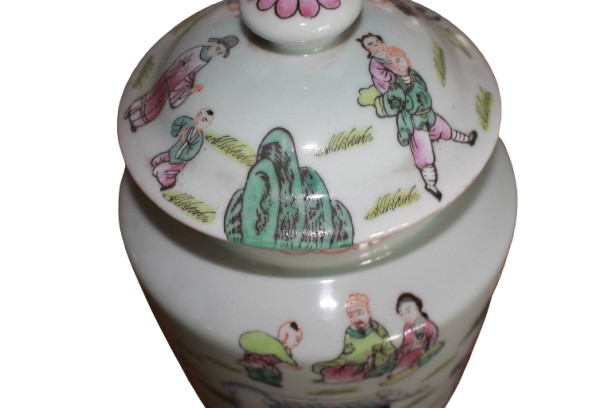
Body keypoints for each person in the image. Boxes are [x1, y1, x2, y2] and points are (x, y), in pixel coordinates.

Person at [124, 35, 238, 132]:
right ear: (214, 43)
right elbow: (181, 62)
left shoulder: (207, 59)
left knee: (156, 104)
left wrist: (190, 87)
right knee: (152, 100)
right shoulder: (197, 51)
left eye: (220, 52)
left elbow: (192, 74)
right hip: (171, 77)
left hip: (177, 82)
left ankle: (135, 120)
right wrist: (175, 76)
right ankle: (132, 115)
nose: (217, 52)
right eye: (217, 48)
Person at [312, 293, 396, 383]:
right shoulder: (350, 333)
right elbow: (346, 354)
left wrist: (374, 356)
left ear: (369, 312)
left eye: (359, 313)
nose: (356, 319)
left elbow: (390, 350)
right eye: (351, 316)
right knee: (331, 371)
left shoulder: (378, 330)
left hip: (371, 364)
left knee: (348, 374)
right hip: (352, 363)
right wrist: (344, 360)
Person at [151, 108, 214, 191]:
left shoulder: (199, 138)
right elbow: (179, 121)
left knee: (160, 172)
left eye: (203, 120)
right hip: (171, 153)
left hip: (179, 161)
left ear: (207, 125)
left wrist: (182, 156)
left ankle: (169, 183)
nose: (198, 120)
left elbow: (193, 151)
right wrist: (175, 132)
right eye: (198, 115)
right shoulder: (188, 123)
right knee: (155, 161)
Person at [238, 321, 303, 387]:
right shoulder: (278, 347)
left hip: (262, 363)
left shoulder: (283, 349)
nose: (296, 344)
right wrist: (295, 365)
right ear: (286, 336)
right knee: (272, 372)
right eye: (297, 340)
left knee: (275, 373)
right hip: (258, 362)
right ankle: (257, 371)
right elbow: (288, 360)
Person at [391, 293, 438, 375]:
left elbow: (432, 345)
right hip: (410, 354)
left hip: (422, 355)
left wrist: (423, 347)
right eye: (402, 314)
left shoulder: (429, 327)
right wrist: (399, 354)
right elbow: (406, 345)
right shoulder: (407, 326)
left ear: (417, 308)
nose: (406, 316)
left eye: (408, 311)